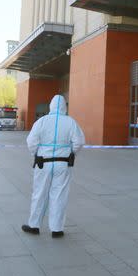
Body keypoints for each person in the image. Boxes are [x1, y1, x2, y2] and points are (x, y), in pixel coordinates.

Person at [22, 94, 84, 237]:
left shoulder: (41, 121)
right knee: (59, 195)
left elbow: (31, 141)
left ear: (51, 106)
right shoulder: (71, 122)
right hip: (63, 163)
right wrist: (72, 153)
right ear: (64, 107)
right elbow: (79, 142)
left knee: (39, 194)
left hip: (43, 162)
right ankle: (56, 229)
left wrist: (36, 154)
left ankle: (34, 225)